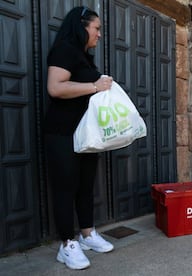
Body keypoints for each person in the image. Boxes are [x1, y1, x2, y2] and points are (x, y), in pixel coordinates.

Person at [44, 6, 114, 270]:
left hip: (85, 134)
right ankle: (67, 244)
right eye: (97, 28)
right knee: (65, 188)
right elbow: (56, 87)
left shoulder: (85, 57)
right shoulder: (65, 49)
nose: (99, 34)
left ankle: (87, 234)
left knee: (85, 186)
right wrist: (95, 85)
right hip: (62, 132)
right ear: (82, 26)